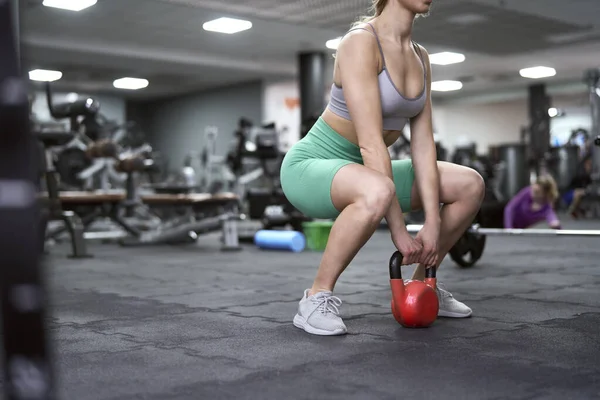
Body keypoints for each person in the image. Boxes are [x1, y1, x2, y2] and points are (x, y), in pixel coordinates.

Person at [279, 0, 485, 336]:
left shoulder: (421, 56)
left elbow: (423, 144)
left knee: (469, 184)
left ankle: (422, 288)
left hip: (367, 171)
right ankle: (315, 297)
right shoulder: (360, 42)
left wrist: (432, 222)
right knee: (379, 188)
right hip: (311, 167)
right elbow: (371, 143)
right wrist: (400, 231)